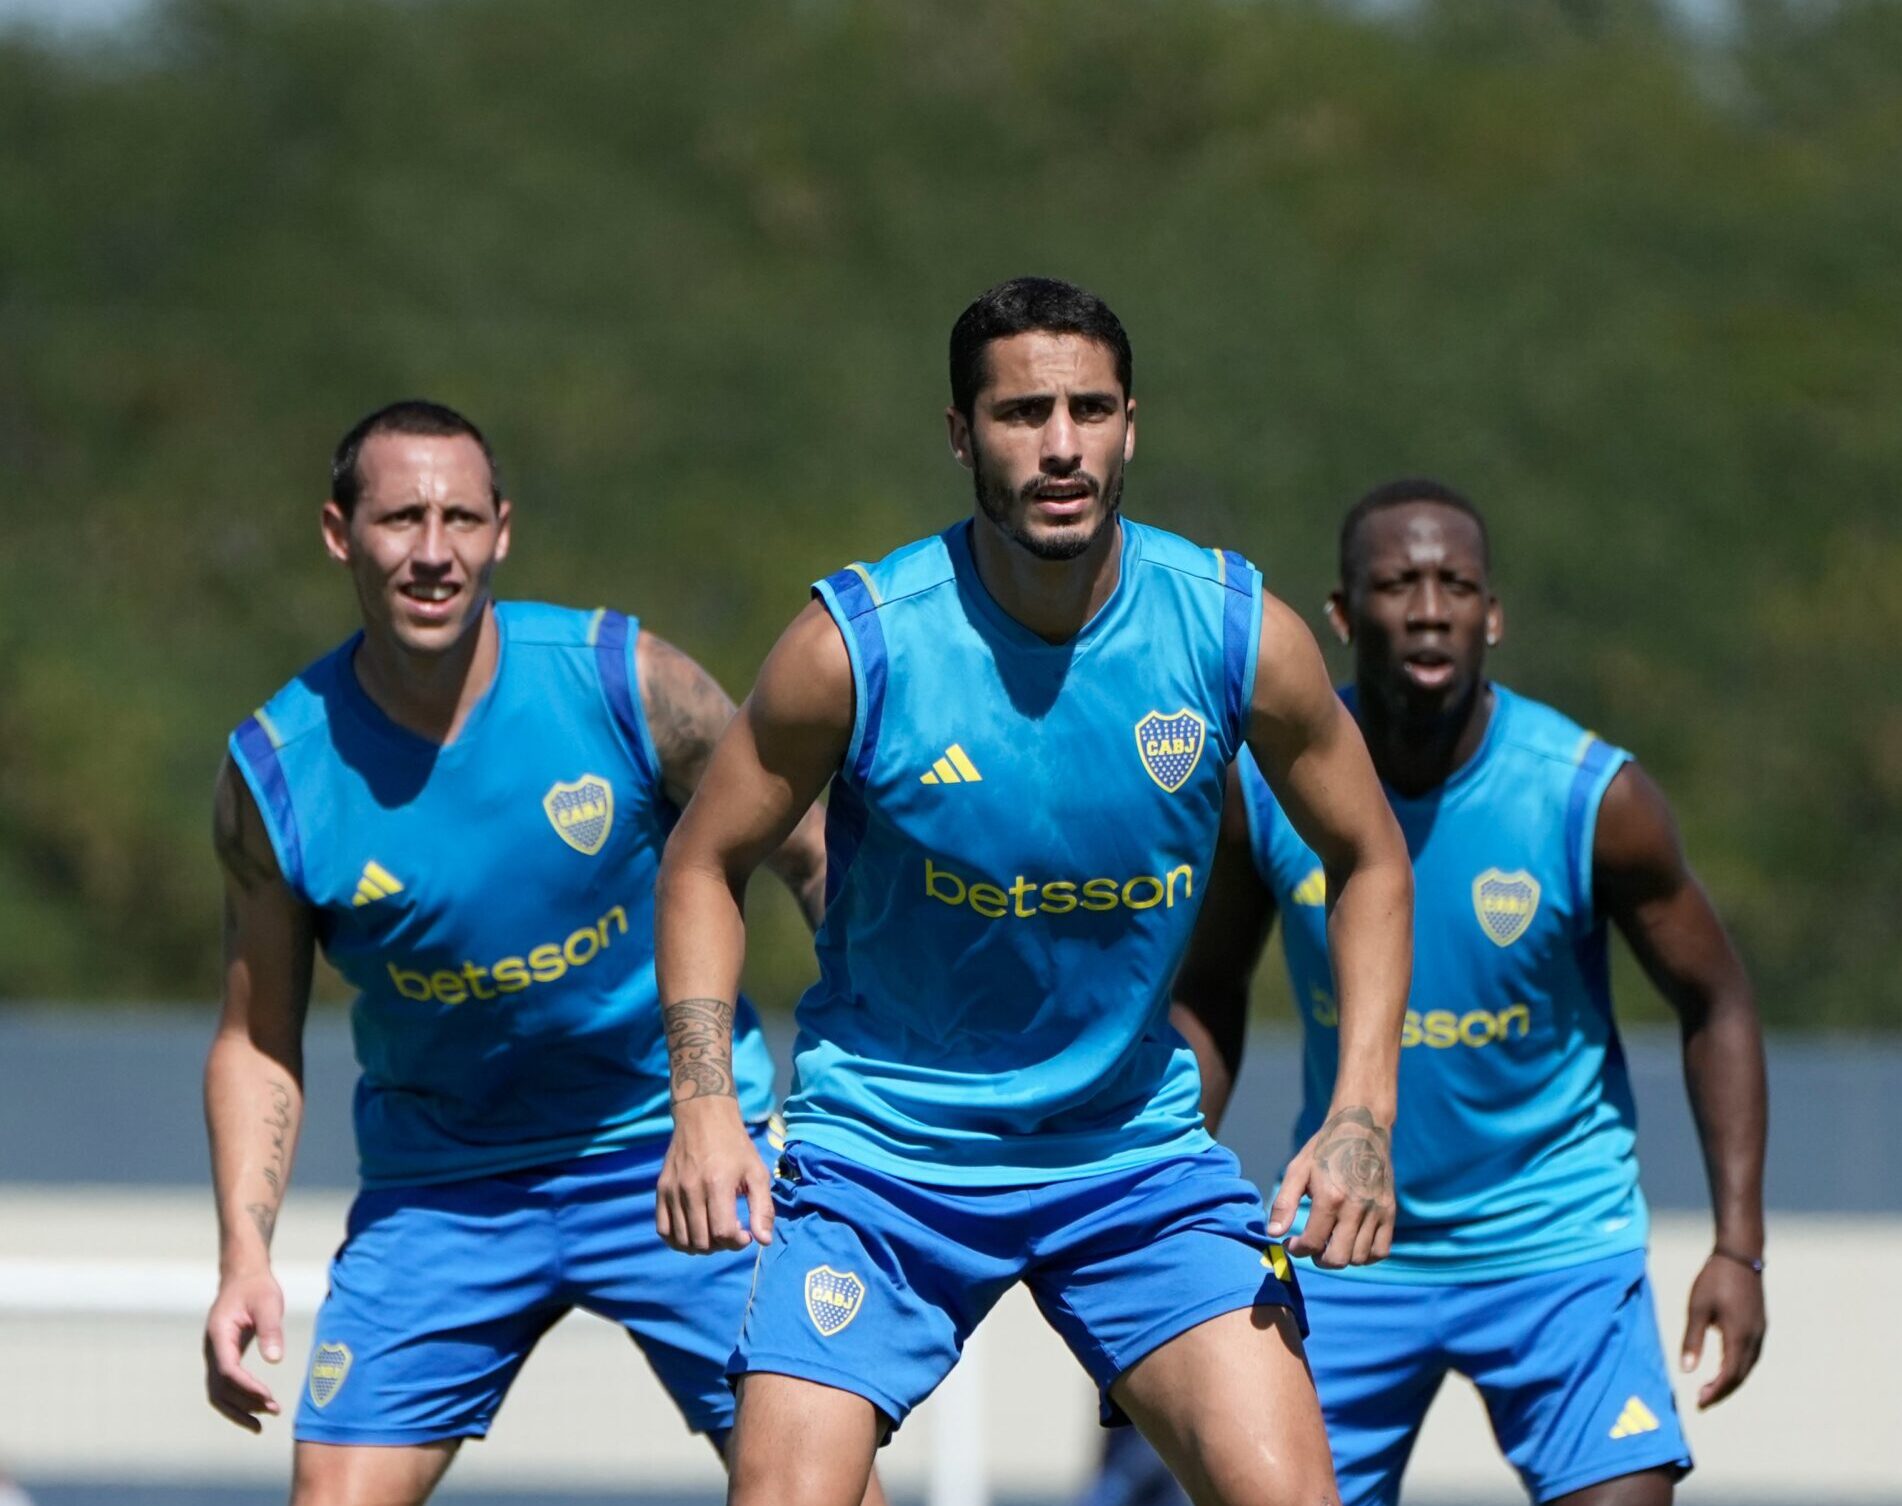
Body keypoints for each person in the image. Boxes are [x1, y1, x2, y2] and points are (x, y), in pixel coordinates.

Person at [653, 276, 1415, 1506]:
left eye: (1090, 410)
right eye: (1021, 414)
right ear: (962, 435)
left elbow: (1371, 858)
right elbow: (701, 863)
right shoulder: (856, 645)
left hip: (1129, 1157)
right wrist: (703, 1107)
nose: (1061, 446)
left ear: (1131, 426)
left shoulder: (1234, 634)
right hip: (883, 1159)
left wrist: (1362, 1116)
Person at [200, 399, 835, 1506]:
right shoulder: (277, 775)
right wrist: (243, 1259)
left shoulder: (625, 682)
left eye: (459, 518)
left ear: (502, 529)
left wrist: (857, 1107)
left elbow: (817, 860)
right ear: (340, 533)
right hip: (443, 1189)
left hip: (675, 1147)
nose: (433, 552)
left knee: (818, 1492)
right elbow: (257, 1041)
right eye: (400, 519)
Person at [1166, 478, 1768, 1506]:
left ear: (1492, 615)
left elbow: (1719, 1003)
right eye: (1398, 584)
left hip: (1556, 1245)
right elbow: (1210, 991)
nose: (1429, 608)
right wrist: (1162, 1204)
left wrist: (1739, 1250)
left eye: (1456, 585)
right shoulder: (1266, 789)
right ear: (1343, 614)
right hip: (1347, 1242)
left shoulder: (1590, 797)